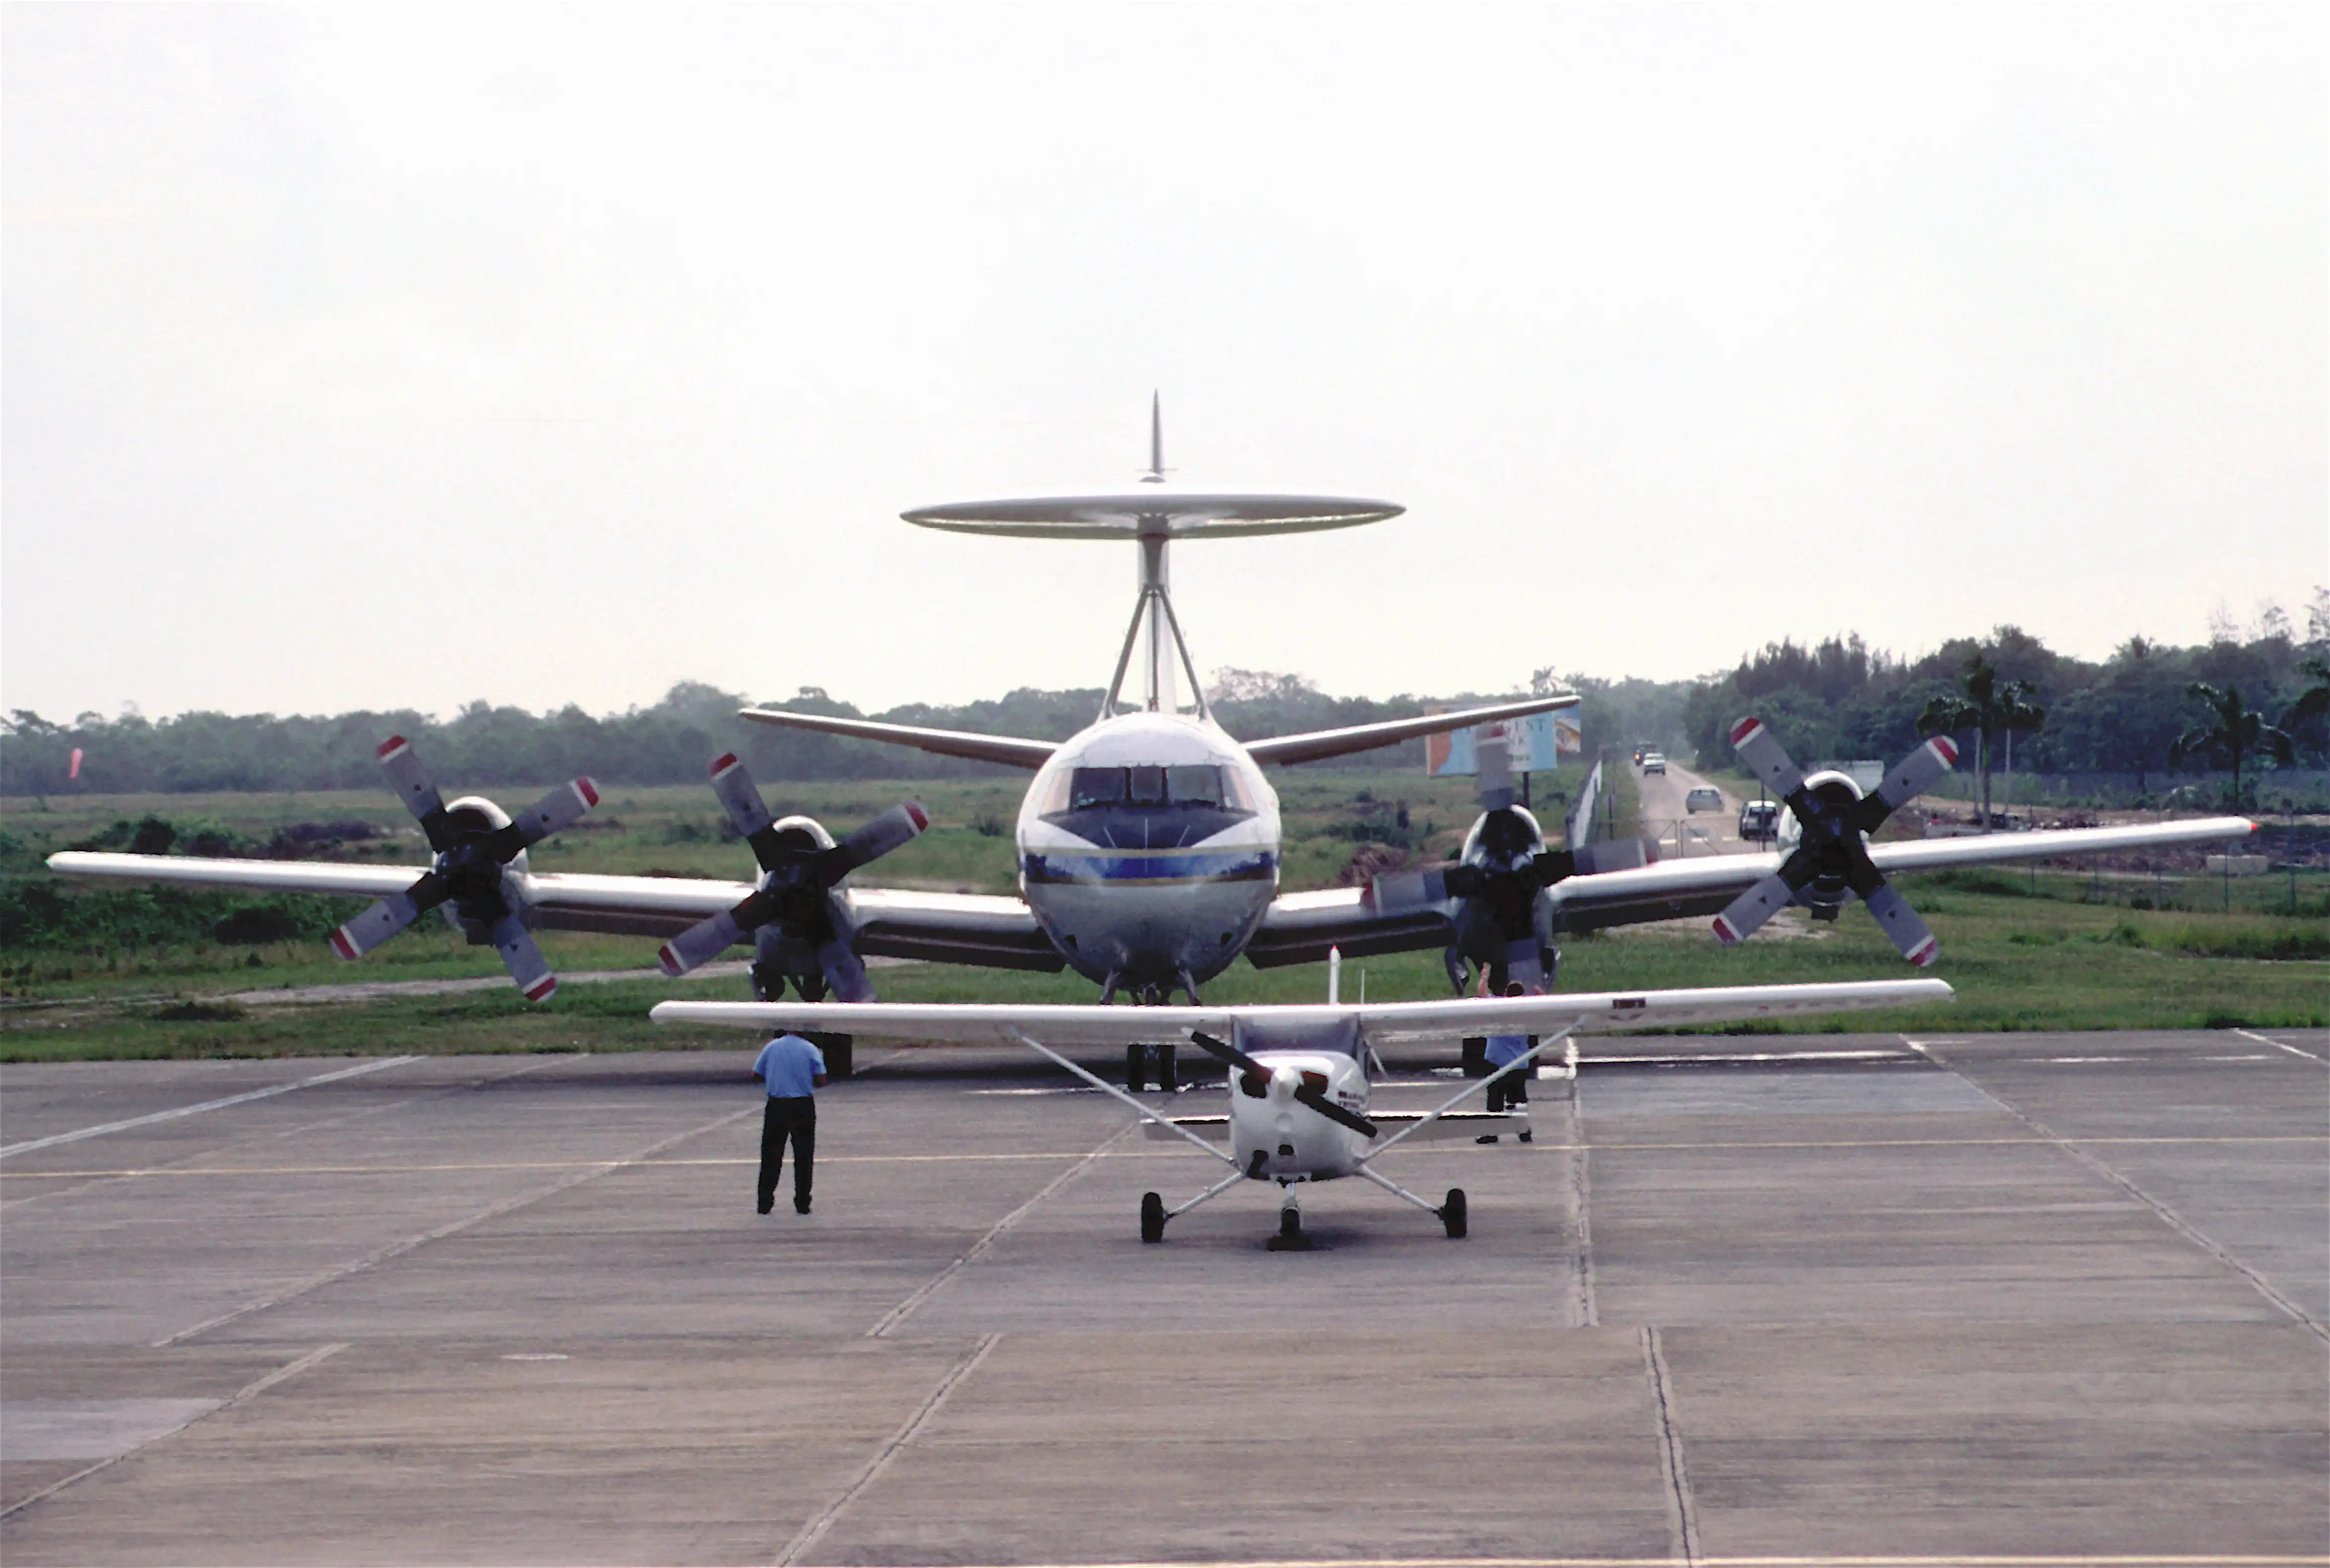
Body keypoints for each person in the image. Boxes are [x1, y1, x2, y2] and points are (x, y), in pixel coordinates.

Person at [752, 1032, 827, 1215]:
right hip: (802, 1105)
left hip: (777, 1104)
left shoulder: (772, 1047)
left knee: (771, 1155)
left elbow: (756, 1074)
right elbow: (821, 1080)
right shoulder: (810, 1049)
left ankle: (765, 1202)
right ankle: (802, 1203)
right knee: (804, 1156)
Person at [1477, 983, 1534, 1144]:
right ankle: (1524, 1132)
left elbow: (1482, 992)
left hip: (1497, 1063)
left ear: (1505, 993)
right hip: (1518, 1065)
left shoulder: (1498, 1007)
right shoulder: (1528, 1013)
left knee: (1495, 1100)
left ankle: (1493, 1133)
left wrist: (1484, 976)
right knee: (1518, 1101)